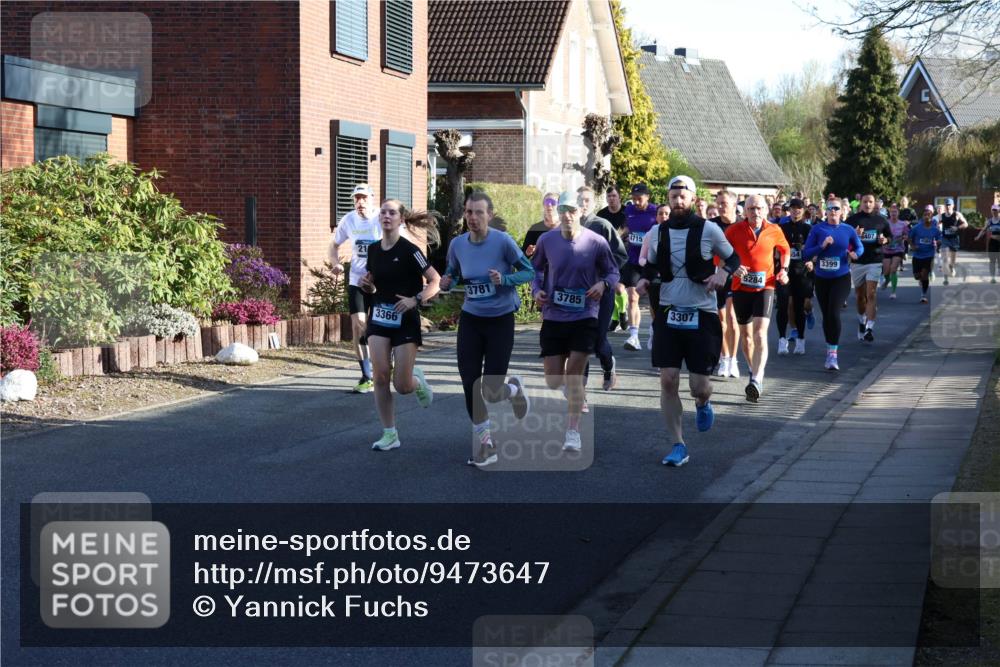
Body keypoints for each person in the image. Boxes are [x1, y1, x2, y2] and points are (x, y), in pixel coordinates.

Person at [636, 175, 740, 467]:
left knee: (698, 385)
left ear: (693, 199)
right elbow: (653, 265)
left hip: (702, 314)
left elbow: (733, 259)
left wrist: (722, 274)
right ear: (668, 199)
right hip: (669, 311)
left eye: (683, 197)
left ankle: (704, 402)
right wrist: (644, 280)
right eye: (673, 197)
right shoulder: (657, 232)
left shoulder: (709, 230)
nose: (678, 202)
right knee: (668, 380)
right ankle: (678, 444)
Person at [440, 191, 534, 467]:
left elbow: (528, 271)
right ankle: (485, 443)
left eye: (478, 212)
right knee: (470, 382)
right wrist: (448, 280)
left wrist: (504, 278)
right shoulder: (457, 244)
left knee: (491, 389)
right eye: (468, 212)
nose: (472, 217)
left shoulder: (502, 242)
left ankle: (514, 390)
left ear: (489, 215)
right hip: (471, 319)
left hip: (500, 320)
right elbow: (454, 271)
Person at [531, 191, 619, 452]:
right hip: (554, 315)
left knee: (575, 375)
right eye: (563, 210)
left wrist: (603, 285)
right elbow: (535, 270)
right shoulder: (547, 240)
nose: (567, 215)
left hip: (585, 315)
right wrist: (537, 291)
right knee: (554, 380)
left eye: (572, 210)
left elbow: (613, 271)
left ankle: (573, 431)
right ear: (558, 212)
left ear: (581, 211)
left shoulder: (596, 242)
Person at [361, 200, 441, 451]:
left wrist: (414, 299)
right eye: (383, 212)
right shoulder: (373, 250)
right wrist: (368, 285)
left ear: (401, 219)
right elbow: (374, 283)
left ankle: (416, 382)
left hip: (405, 320)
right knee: (381, 375)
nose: (386, 216)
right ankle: (390, 433)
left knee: (402, 385)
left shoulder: (410, 250)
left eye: (392, 212)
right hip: (380, 318)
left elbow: (435, 280)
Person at [725, 194, 791, 402]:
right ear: (745, 211)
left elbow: (785, 249)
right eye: (752, 209)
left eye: (760, 208)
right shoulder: (733, 230)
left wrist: (784, 269)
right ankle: (754, 372)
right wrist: (732, 268)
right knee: (746, 335)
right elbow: (719, 253)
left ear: (767, 209)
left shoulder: (774, 229)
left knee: (760, 333)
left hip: (766, 286)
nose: (756, 212)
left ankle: (757, 378)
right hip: (740, 288)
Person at [329, 183, 381, 393]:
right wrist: (335, 263)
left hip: (380, 283)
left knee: (379, 327)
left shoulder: (382, 218)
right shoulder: (349, 219)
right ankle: (366, 375)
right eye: (356, 199)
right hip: (357, 281)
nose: (360, 202)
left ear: (372, 199)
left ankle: (387, 363)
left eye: (363, 198)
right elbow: (333, 245)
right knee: (359, 325)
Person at [803, 202, 864, 370]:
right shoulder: (817, 230)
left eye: (837, 208)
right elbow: (806, 253)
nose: (833, 211)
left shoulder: (848, 230)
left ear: (842, 211)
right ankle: (829, 347)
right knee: (827, 315)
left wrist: (855, 253)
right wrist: (821, 246)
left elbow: (859, 246)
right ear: (826, 212)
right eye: (830, 208)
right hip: (822, 278)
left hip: (841, 278)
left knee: (834, 312)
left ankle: (833, 355)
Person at [578, 186, 628, 391]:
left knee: (599, 341)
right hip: (577, 293)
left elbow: (621, 255)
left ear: (594, 202)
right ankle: (580, 388)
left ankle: (609, 365)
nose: (583, 204)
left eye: (587, 200)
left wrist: (602, 273)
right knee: (580, 341)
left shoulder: (602, 225)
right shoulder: (566, 226)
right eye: (579, 200)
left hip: (601, 291)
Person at [846, 193, 891, 343]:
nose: (867, 204)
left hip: (875, 260)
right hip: (858, 262)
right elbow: (844, 239)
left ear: (875, 204)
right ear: (861, 203)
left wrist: (885, 240)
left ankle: (870, 328)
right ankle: (861, 321)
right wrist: (855, 235)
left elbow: (889, 237)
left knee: (871, 294)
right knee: (860, 297)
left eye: (870, 202)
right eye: (865, 202)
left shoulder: (881, 220)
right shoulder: (853, 220)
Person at [621, 183, 658, 351]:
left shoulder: (655, 212)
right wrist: (619, 238)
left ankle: (654, 331)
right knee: (632, 297)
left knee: (653, 300)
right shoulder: (629, 211)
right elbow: (626, 229)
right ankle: (634, 336)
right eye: (634, 198)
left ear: (647, 196)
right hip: (633, 260)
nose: (636, 201)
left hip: (650, 262)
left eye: (639, 198)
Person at [777, 198, 814, 355]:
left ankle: (801, 340)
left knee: (799, 307)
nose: (795, 211)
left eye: (798, 208)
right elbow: (775, 248)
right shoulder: (781, 227)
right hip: (784, 272)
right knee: (783, 305)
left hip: (802, 272)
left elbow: (814, 249)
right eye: (793, 208)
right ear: (789, 210)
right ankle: (782, 340)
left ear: (803, 210)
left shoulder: (808, 228)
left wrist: (811, 259)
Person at [710, 190, 741, 378]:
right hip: (717, 275)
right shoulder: (711, 226)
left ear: (734, 205)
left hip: (737, 277)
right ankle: (724, 358)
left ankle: (733, 360)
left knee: (732, 317)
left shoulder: (741, 225)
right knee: (721, 321)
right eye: (719, 203)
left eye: (724, 203)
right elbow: (710, 251)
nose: (721, 206)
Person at [597, 185, 630, 333]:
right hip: (606, 255)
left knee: (619, 287)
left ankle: (622, 312)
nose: (611, 199)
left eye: (614, 196)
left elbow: (631, 229)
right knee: (612, 288)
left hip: (623, 253)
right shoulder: (601, 214)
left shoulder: (626, 213)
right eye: (609, 197)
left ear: (619, 198)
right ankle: (617, 318)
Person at [910, 205, 943, 303]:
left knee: (924, 275)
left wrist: (938, 242)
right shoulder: (916, 228)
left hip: (929, 255)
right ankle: (921, 280)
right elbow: (909, 238)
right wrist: (912, 246)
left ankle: (923, 295)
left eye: (928, 215)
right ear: (922, 217)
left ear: (932, 216)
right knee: (917, 276)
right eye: (925, 215)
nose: (926, 217)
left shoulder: (934, 229)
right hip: (917, 255)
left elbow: (939, 237)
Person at [938, 198, 969, 284]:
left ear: (953, 205)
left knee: (952, 261)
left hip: (954, 239)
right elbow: (938, 224)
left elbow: (966, 224)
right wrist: (938, 227)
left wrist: (957, 227)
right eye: (946, 205)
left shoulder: (957, 214)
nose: (948, 207)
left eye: (949, 205)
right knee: (944, 259)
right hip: (945, 239)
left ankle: (951, 267)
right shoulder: (942, 215)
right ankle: (945, 279)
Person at [881, 203, 909, 299]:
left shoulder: (903, 224)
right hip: (886, 249)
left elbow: (907, 234)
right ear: (889, 213)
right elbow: (881, 234)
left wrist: (905, 236)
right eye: (891, 212)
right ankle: (887, 280)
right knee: (886, 271)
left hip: (898, 249)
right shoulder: (885, 223)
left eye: (895, 212)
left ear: (898, 213)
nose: (893, 213)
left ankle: (893, 292)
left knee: (893, 269)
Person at [522, 192, 560, 258]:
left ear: (559, 206)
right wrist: (528, 252)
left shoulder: (566, 227)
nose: (549, 205)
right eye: (547, 202)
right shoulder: (535, 228)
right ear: (543, 205)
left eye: (553, 202)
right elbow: (523, 256)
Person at [974, 203, 1000, 283]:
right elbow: (983, 230)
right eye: (993, 210)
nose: (994, 212)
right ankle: (992, 277)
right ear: (991, 211)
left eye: (996, 210)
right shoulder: (989, 221)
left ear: (999, 210)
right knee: (992, 260)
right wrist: (978, 236)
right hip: (992, 242)